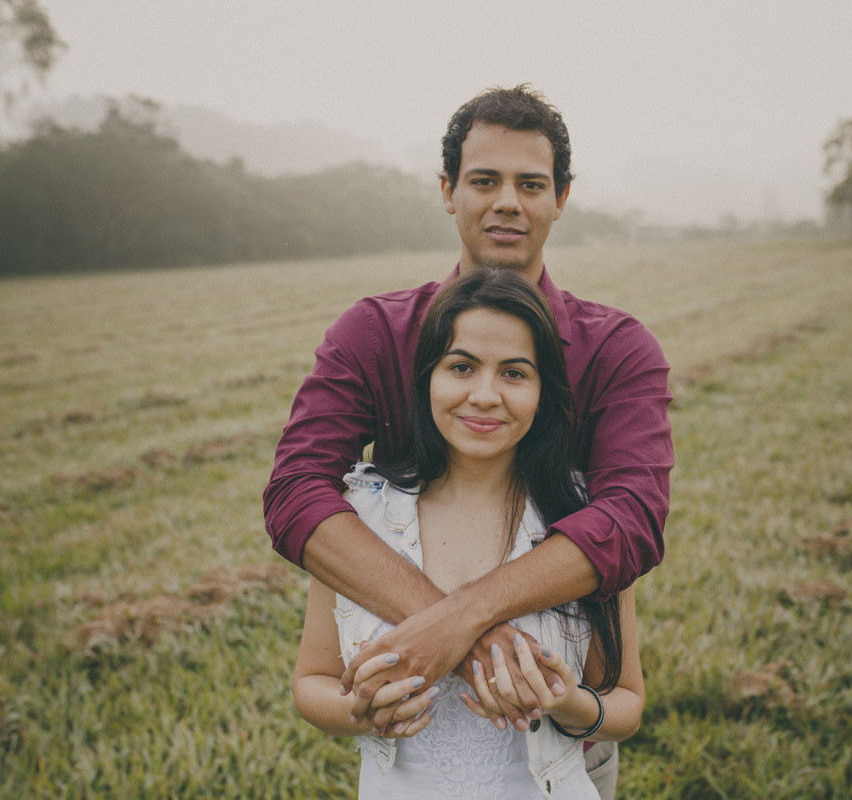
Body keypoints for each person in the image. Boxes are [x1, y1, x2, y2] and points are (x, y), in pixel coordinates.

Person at [264, 84, 672, 795]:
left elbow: (630, 520)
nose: (507, 201)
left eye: (531, 184)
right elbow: (297, 492)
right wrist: (456, 632)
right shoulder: (374, 333)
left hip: (561, 748)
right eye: (484, 180)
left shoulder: (618, 349)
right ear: (448, 190)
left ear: (561, 198)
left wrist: (463, 620)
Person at [292, 268, 645, 798]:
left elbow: (627, 703)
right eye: (461, 367)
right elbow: (311, 681)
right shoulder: (358, 516)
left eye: (514, 373)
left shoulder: (584, 519)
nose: (484, 395)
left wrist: (568, 703)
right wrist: (359, 709)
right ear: (426, 380)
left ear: (543, 393)